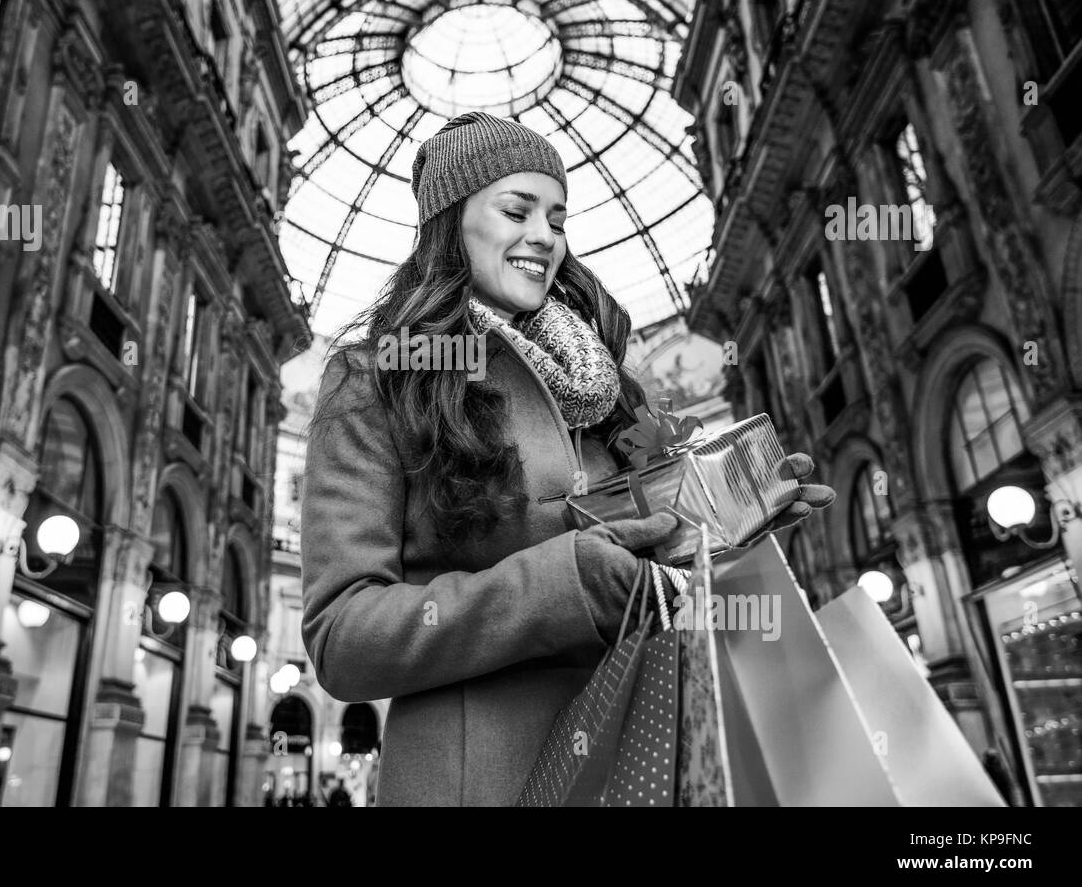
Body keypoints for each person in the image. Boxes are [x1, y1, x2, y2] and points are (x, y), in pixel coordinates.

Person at [300, 111, 835, 806]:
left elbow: (642, 556)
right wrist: (563, 586)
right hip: (484, 787)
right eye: (516, 209)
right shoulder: (376, 380)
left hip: (639, 766)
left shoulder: (609, 382)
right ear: (450, 224)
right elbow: (344, 636)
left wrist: (723, 516)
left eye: (556, 217)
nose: (543, 236)